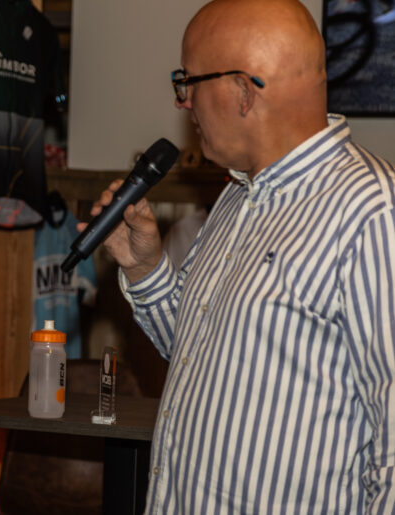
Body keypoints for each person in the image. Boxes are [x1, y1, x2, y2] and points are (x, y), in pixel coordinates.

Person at [85, 0, 395, 512]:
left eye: (187, 82)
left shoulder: (371, 211)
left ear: (244, 92)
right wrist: (144, 267)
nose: (183, 103)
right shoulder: (237, 195)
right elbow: (200, 355)